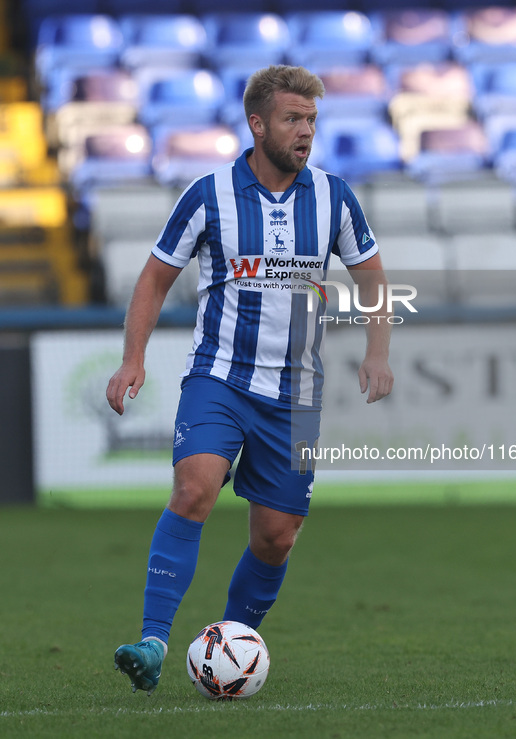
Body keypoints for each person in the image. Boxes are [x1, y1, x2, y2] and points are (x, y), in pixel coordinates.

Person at [106, 64, 393, 695]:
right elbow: (155, 278)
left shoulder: (334, 196)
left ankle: (228, 650)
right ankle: (153, 642)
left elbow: (372, 280)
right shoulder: (207, 194)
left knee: (276, 536)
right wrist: (134, 358)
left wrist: (378, 350)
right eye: (293, 119)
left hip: (296, 393)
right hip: (220, 377)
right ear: (256, 123)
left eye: (312, 120)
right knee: (194, 488)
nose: (305, 132)